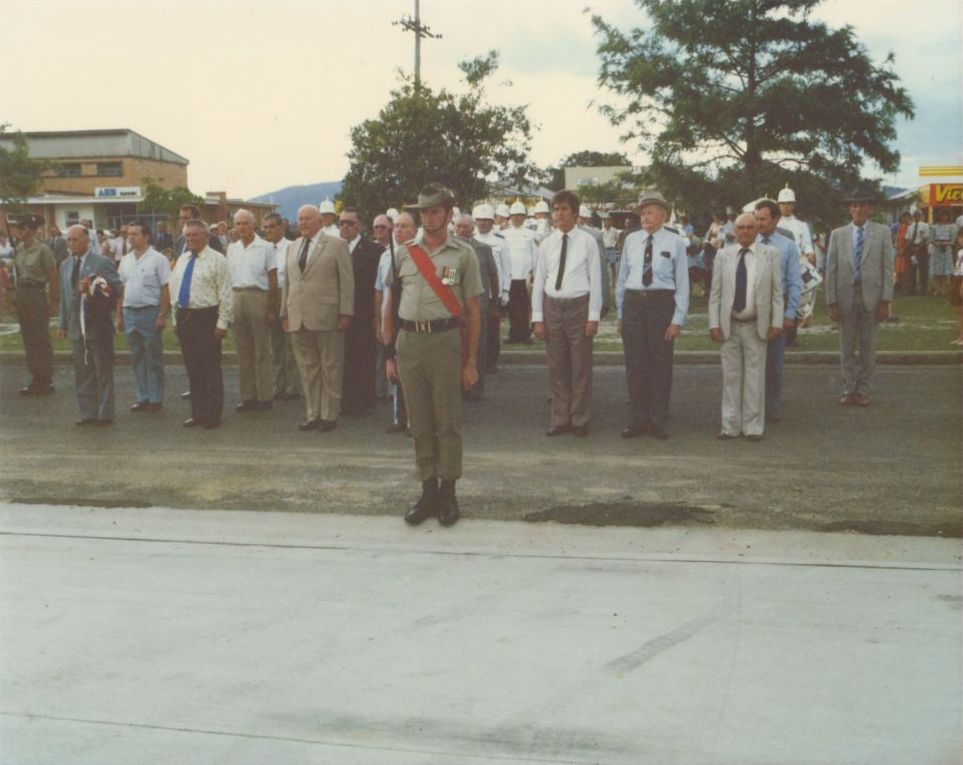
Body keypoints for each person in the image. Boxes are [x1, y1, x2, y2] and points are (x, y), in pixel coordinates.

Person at [382, 183, 483, 527]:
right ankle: (427, 490)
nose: (428, 217)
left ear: (449, 214)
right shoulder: (403, 253)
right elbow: (390, 304)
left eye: (435, 211)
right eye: (423, 211)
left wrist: (470, 362)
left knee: (448, 422)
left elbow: (473, 310)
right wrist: (389, 353)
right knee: (419, 422)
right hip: (409, 342)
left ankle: (448, 492)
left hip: (446, 342)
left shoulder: (463, 254)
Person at [615, 190, 689, 440]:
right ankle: (638, 418)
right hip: (634, 303)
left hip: (661, 304)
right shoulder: (631, 240)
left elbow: (682, 283)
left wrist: (677, 319)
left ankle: (657, 419)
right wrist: (621, 312)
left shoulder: (675, 241)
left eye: (650, 212)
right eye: (642, 213)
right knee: (635, 363)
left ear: (663, 215)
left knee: (660, 362)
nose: (644, 217)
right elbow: (622, 277)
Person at [531, 190, 602, 437]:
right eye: (555, 209)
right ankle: (560, 418)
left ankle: (580, 418)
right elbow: (539, 280)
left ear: (574, 212)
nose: (558, 214)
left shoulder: (587, 241)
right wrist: (537, 318)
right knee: (557, 366)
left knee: (580, 365)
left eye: (563, 209)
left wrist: (593, 316)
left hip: (578, 308)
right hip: (553, 307)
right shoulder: (547, 243)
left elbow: (596, 280)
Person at [709, 214, 783, 441]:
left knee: (755, 377)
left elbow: (777, 293)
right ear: (734, 230)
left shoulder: (771, 255)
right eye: (741, 228)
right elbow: (715, 293)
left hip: (755, 325)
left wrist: (776, 322)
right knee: (731, 377)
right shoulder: (723, 255)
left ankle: (753, 427)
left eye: (750, 227)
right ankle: (729, 426)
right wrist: (714, 323)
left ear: (757, 230)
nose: (745, 232)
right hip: (729, 324)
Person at [281, 204, 354, 432]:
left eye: (308, 219)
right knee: (308, 368)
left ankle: (329, 415)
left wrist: (345, 312)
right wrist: (285, 312)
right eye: (300, 219)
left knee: (330, 366)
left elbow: (347, 282)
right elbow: (290, 284)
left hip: (327, 315)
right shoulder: (292, 247)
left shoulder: (337, 245)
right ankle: (312, 414)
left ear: (320, 221)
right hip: (298, 316)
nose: (303, 223)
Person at [825, 190, 894, 406]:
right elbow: (831, 270)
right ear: (849, 209)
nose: (858, 210)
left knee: (868, 346)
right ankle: (848, 388)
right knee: (846, 346)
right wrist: (831, 301)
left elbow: (887, 268)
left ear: (870, 209)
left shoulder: (882, 232)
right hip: (846, 295)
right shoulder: (838, 234)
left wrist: (885, 300)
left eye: (863, 205)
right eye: (854, 206)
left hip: (871, 297)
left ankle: (863, 389)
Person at [168, 219, 233, 429]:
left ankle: (213, 415)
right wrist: (174, 317)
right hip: (185, 317)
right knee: (193, 369)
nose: (190, 240)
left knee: (210, 368)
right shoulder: (183, 259)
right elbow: (174, 289)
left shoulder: (218, 260)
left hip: (207, 317)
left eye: (195, 235)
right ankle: (198, 413)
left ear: (206, 237)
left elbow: (225, 294)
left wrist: (222, 323)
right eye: (187, 236)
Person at [58, 225, 122, 425]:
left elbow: (116, 288)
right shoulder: (65, 264)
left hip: (98, 325)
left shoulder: (101, 262)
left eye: (75, 239)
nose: (71, 244)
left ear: (87, 240)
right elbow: (64, 297)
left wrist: (94, 290)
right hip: (77, 326)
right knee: (82, 371)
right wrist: (63, 323)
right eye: (69, 240)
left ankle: (105, 413)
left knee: (102, 369)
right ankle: (88, 412)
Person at [753, 199, 803, 423]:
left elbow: (794, 281)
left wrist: (790, 313)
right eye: (756, 218)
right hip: (750, 308)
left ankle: (772, 407)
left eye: (763, 219)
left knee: (773, 362)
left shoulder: (787, 245)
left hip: (777, 308)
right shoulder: (747, 240)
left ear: (775, 219)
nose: (758, 223)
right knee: (752, 361)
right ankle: (752, 405)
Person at [116, 220, 170, 412]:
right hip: (130, 312)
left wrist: (162, 314)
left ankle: (156, 398)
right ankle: (143, 396)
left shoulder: (158, 259)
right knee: (137, 356)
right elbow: (122, 289)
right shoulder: (125, 260)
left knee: (153, 356)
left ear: (146, 236)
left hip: (150, 311)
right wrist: (119, 315)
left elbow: (165, 288)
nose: (130, 237)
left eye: (135, 234)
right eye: (128, 234)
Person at [226, 209, 278, 413]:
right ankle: (248, 397)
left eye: (245, 224)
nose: (241, 228)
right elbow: (229, 278)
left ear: (253, 224)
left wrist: (272, 307)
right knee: (243, 352)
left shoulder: (265, 247)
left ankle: (265, 396)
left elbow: (273, 279)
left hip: (259, 297)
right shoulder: (232, 249)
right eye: (237, 224)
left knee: (261, 351)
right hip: (237, 296)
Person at [338, 207, 383, 416]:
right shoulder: (335, 248)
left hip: (363, 313)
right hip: (339, 312)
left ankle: (364, 401)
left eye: (350, 223)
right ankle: (345, 400)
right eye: (342, 223)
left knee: (363, 358)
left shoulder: (374, 251)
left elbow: (378, 286)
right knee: (343, 358)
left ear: (360, 226)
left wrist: (377, 316)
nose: (345, 226)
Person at [377, 211, 418, 433]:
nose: (399, 230)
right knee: (396, 371)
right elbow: (383, 294)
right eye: (397, 226)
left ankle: (416, 420)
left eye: (405, 226)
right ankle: (400, 418)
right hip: (394, 317)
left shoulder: (425, 254)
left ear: (415, 230)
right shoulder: (388, 256)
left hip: (417, 320)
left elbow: (447, 285)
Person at [453, 213, 499, 401]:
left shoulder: (484, 249)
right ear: (454, 228)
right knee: (456, 347)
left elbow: (494, 276)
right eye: (459, 226)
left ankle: (475, 388)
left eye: (466, 226)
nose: (463, 230)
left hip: (479, 306)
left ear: (473, 228)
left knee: (478, 346)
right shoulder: (449, 250)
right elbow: (447, 279)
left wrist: (495, 302)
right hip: (455, 305)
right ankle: (457, 388)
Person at [12, 215, 59, 396]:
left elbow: (53, 277)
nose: (19, 232)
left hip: (37, 293)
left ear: (32, 230)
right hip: (23, 293)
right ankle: (35, 376)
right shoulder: (20, 248)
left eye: (23, 228)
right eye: (19, 228)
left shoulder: (43, 250)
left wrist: (54, 302)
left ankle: (45, 378)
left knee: (40, 337)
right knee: (28, 337)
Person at [260, 212, 301, 401]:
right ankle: (278, 385)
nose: (268, 230)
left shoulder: (292, 247)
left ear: (281, 227)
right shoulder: (262, 248)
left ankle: (293, 386)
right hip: (269, 295)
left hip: (287, 293)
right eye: (265, 227)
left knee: (290, 344)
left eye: (272, 227)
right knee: (274, 345)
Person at [471, 203, 509, 373]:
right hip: (474, 294)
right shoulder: (470, 242)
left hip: (494, 293)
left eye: (486, 220)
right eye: (479, 220)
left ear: (492, 222)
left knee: (492, 331)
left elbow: (507, 268)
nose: (482, 224)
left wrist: (505, 291)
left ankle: (491, 363)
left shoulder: (500, 241)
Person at [502, 200, 537, 344]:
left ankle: (526, 334)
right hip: (510, 277)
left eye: (520, 215)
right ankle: (514, 334)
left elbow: (535, 255)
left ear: (524, 217)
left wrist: (534, 274)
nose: (517, 218)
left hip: (525, 277)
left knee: (525, 307)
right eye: (514, 215)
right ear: (510, 217)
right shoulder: (503, 234)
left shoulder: (531, 234)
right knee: (512, 308)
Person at [929, 211, 955, 297]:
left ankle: (944, 289)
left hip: (946, 249)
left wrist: (946, 244)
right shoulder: (934, 227)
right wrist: (936, 243)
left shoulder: (951, 227)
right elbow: (931, 239)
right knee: (937, 271)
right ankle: (937, 289)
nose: (944, 217)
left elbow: (953, 240)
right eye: (942, 215)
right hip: (937, 250)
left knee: (945, 271)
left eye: (945, 215)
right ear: (939, 216)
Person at [905, 210, 930, 295]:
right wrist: (912, 248)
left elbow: (925, 238)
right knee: (912, 270)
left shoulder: (925, 226)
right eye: (915, 215)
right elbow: (908, 239)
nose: (917, 217)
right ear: (913, 217)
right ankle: (912, 289)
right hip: (912, 248)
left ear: (921, 216)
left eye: (918, 215)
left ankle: (923, 289)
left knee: (923, 270)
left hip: (922, 249)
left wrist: (918, 248)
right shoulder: (910, 227)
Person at [950, 228, 963, 345]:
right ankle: (960, 336)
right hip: (958, 277)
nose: (961, 240)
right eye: (960, 237)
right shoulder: (960, 252)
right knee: (959, 309)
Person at [894, 211, 912, 294]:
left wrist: (903, 249)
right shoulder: (901, 227)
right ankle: (899, 286)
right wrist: (896, 246)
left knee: (906, 270)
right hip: (899, 250)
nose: (904, 218)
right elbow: (897, 237)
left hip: (906, 251)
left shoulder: (910, 227)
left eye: (906, 217)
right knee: (898, 270)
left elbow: (908, 240)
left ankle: (906, 288)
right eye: (903, 217)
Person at [601, 211, 621, 284]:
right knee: (603, 268)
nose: (607, 223)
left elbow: (618, 238)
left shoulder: (614, 230)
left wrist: (618, 244)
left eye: (609, 221)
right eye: (606, 221)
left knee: (613, 268)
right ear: (604, 222)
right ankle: (605, 282)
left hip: (611, 250)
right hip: (604, 250)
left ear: (611, 222)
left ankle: (613, 282)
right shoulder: (602, 231)